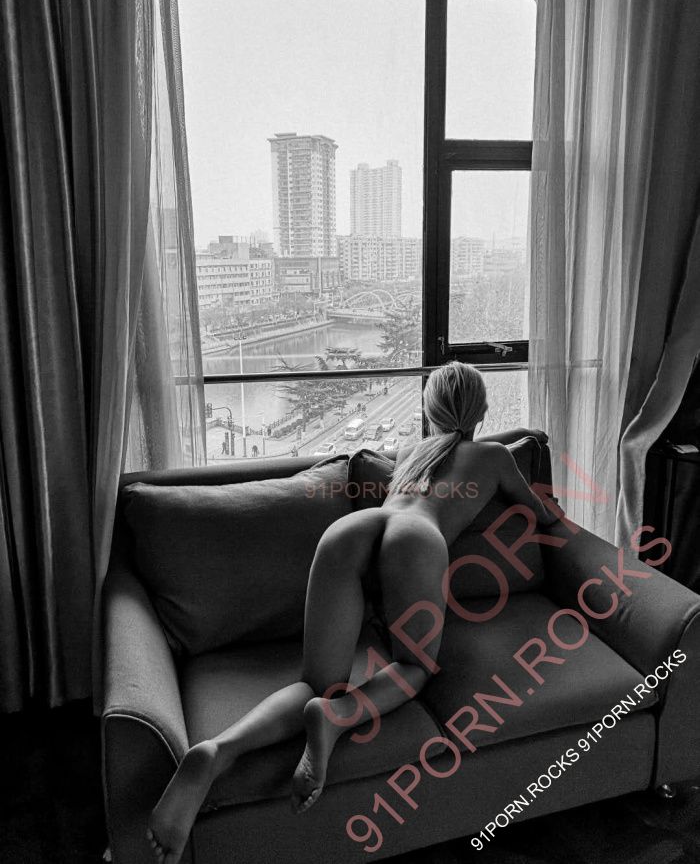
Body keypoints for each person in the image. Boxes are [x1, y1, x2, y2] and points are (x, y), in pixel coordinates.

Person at [147, 361, 563, 863]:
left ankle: (218, 750)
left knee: (314, 682)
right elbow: (542, 513)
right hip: (417, 539)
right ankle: (338, 717)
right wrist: (549, 513)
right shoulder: (494, 456)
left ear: (429, 411)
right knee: (414, 666)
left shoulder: (410, 455)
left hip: (353, 530)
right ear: (483, 411)